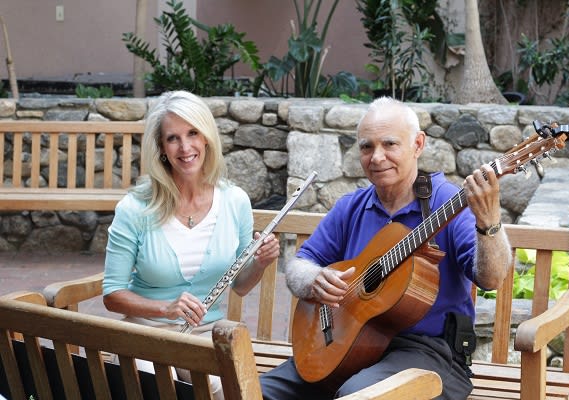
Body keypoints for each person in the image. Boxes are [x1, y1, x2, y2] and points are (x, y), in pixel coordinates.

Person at [259, 97, 512, 400]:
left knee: (359, 397)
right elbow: (300, 264)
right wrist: (314, 280)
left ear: (418, 144)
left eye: (389, 144)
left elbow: (491, 278)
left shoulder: (449, 203)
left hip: (429, 355)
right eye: (367, 147)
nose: (377, 157)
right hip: (347, 347)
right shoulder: (352, 207)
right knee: (253, 390)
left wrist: (489, 223)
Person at [102, 90, 280, 397]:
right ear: (161, 147)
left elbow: (240, 284)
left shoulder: (235, 201)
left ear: (207, 136)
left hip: (208, 332)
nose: (185, 147)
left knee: (227, 389)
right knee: (164, 386)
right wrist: (165, 309)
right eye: (173, 138)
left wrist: (260, 262)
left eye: (193, 133)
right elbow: (112, 294)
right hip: (146, 332)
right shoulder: (134, 209)